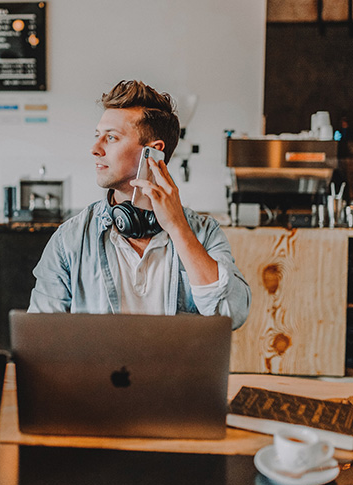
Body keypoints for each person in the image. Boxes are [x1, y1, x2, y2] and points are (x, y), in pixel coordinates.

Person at [28, 80, 251, 329]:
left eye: (111, 137)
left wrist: (178, 229)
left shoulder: (204, 233)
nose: (95, 149)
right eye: (97, 136)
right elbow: (41, 332)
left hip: (175, 369)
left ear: (153, 152)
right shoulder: (70, 239)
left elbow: (232, 315)